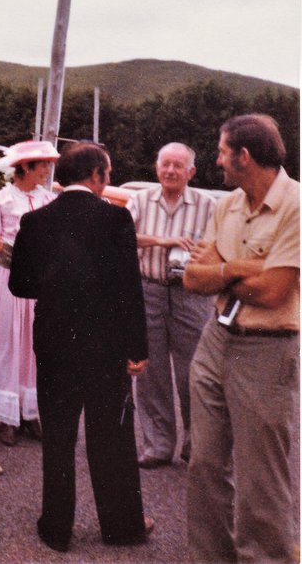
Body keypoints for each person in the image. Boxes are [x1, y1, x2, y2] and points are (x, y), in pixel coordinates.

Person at [9, 142, 152, 553]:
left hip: (54, 341)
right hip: (106, 344)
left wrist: (57, 289)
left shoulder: (35, 221)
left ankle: (56, 528)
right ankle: (122, 526)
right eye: (107, 174)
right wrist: (137, 346)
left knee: (58, 436)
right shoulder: (116, 218)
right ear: (97, 176)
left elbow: (20, 284)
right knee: (111, 435)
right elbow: (130, 289)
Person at [183, 114, 299, 563]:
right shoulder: (226, 205)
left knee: (261, 478)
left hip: (268, 350)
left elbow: (273, 293)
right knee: (204, 465)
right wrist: (236, 267)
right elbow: (193, 279)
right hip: (216, 339)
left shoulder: (296, 206)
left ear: (244, 156)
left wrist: (219, 268)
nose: (217, 160)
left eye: (221, 150)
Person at [125, 142, 214, 469]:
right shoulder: (140, 200)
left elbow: (220, 248)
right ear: (156, 166)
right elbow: (122, 235)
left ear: (191, 172)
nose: (171, 171)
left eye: (179, 166)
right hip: (148, 288)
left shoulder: (207, 206)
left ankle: (197, 446)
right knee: (151, 372)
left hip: (191, 294)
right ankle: (158, 445)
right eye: (166, 164)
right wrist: (163, 241)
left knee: (196, 372)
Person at [0, 140, 59, 447]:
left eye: (48, 164)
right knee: (9, 341)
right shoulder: (1, 199)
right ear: (25, 167)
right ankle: (5, 416)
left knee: (36, 345)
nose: (47, 169)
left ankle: (30, 412)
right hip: (9, 277)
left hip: (41, 282)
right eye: (42, 164)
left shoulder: (49, 200)